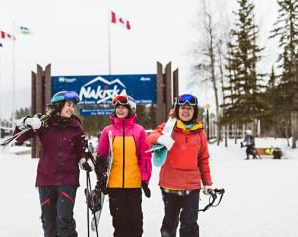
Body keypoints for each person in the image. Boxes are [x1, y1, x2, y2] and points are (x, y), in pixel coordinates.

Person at [14, 91, 93, 237]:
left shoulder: (76, 127)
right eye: (68, 105)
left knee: (64, 219)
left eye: (73, 106)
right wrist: (27, 122)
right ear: (58, 106)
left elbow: (81, 150)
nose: (71, 109)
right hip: (46, 179)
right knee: (48, 221)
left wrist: (83, 160)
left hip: (68, 179)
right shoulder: (44, 124)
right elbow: (19, 138)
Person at [146, 94, 213, 237]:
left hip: (192, 186)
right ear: (177, 110)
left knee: (190, 223)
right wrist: (161, 138)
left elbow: (203, 159)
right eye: (183, 108)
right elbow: (149, 138)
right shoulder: (168, 128)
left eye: (190, 108)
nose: (186, 111)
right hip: (170, 184)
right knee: (170, 221)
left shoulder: (200, 132)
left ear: (194, 111)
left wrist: (207, 183)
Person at [95, 95, 152, 237]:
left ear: (130, 109)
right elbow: (101, 157)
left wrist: (144, 179)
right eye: (117, 107)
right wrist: (101, 178)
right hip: (114, 185)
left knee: (136, 223)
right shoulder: (107, 131)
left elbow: (145, 157)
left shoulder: (139, 131)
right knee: (120, 224)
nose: (120, 110)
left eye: (123, 107)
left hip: (134, 184)